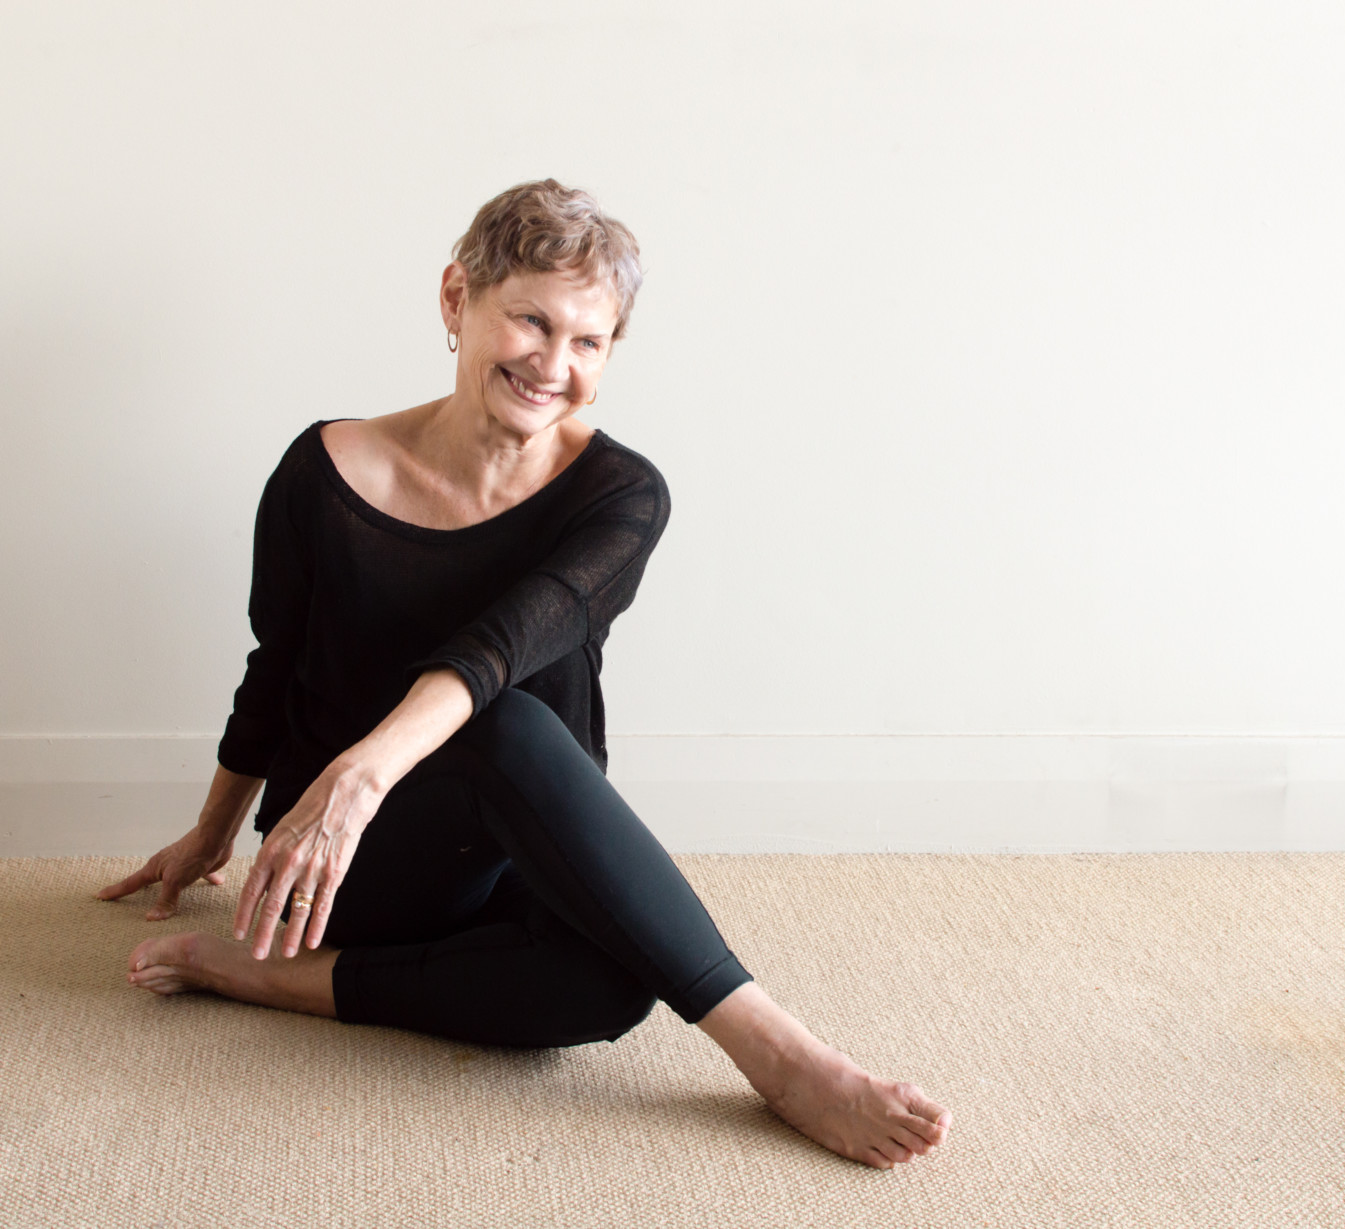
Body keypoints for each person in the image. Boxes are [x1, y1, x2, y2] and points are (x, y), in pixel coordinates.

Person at [96, 179, 952, 1170]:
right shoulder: (323, 472)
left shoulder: (622, 495)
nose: (554, 365)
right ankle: (784, 1056)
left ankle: (264, 978)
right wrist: (213, 832)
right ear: (456, 298)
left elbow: (500, 646)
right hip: (352, 863)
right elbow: (273, 667)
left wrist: (365, 766)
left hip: (511, 853)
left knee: (612, 982)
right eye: (532, 321)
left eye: (590, 341)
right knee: (502, 723)